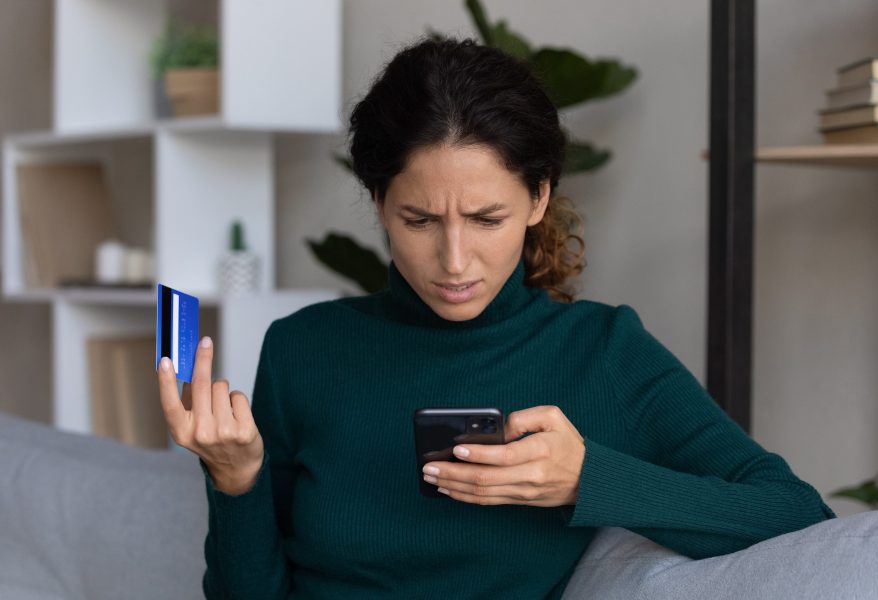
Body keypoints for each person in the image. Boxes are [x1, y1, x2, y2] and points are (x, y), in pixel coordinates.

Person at [157, 36, 836, 599]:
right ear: (378, 201)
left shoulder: (601, 352)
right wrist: (236, 480)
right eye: (419, 219)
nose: (454, 261)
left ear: (539, 196)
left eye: (487, 219)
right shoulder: (303, 349)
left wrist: (586, 479)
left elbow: (794, 512)